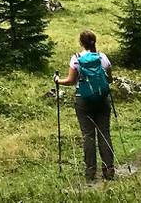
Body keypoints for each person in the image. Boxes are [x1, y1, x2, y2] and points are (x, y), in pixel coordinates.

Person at [55, 30, 115, 181]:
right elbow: (110, 80)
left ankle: (90, 172)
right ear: (95, 41)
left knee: (88, 136)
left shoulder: (76, 59)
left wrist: (57, 80)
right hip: (102, 100)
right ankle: (109, 170)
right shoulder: (103, 57)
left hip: (83, 101)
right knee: (104, 133)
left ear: (81, 43)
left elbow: (70, 81)